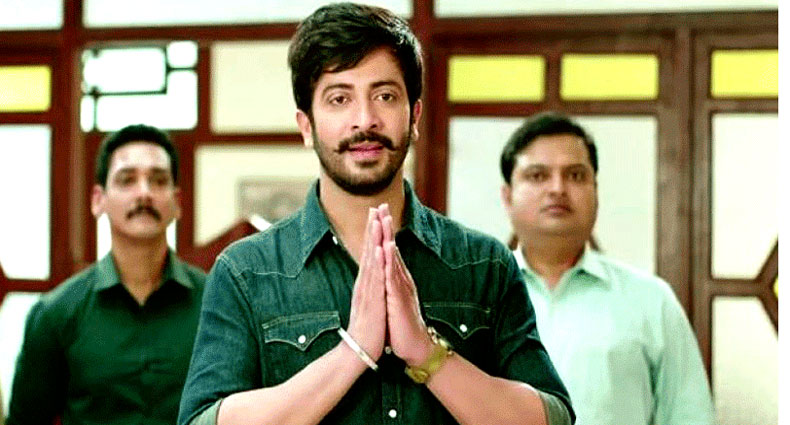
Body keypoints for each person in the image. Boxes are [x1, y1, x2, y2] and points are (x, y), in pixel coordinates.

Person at [178, 3, 573, 425]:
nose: (364, 120)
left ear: (414, 115)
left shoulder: (484, 264)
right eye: (339, 99)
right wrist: (352, 352)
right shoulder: (246, 271)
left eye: (385, 96)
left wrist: (426, 352)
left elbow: (553, 418)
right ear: (306, 125)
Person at [499, 112, 716, 425]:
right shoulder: (477, 298)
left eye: (575, 175)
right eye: (538, 176)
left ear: (596, 191)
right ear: (507, 196)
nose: (557, 189)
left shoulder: (651, 300)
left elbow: (690, 418)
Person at [7, 124, 206, 425]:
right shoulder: (55, 314)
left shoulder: (216, 301)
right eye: (127, 180)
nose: (144, 193)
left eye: (158, 180)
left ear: (177, 201)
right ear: (98, 199)